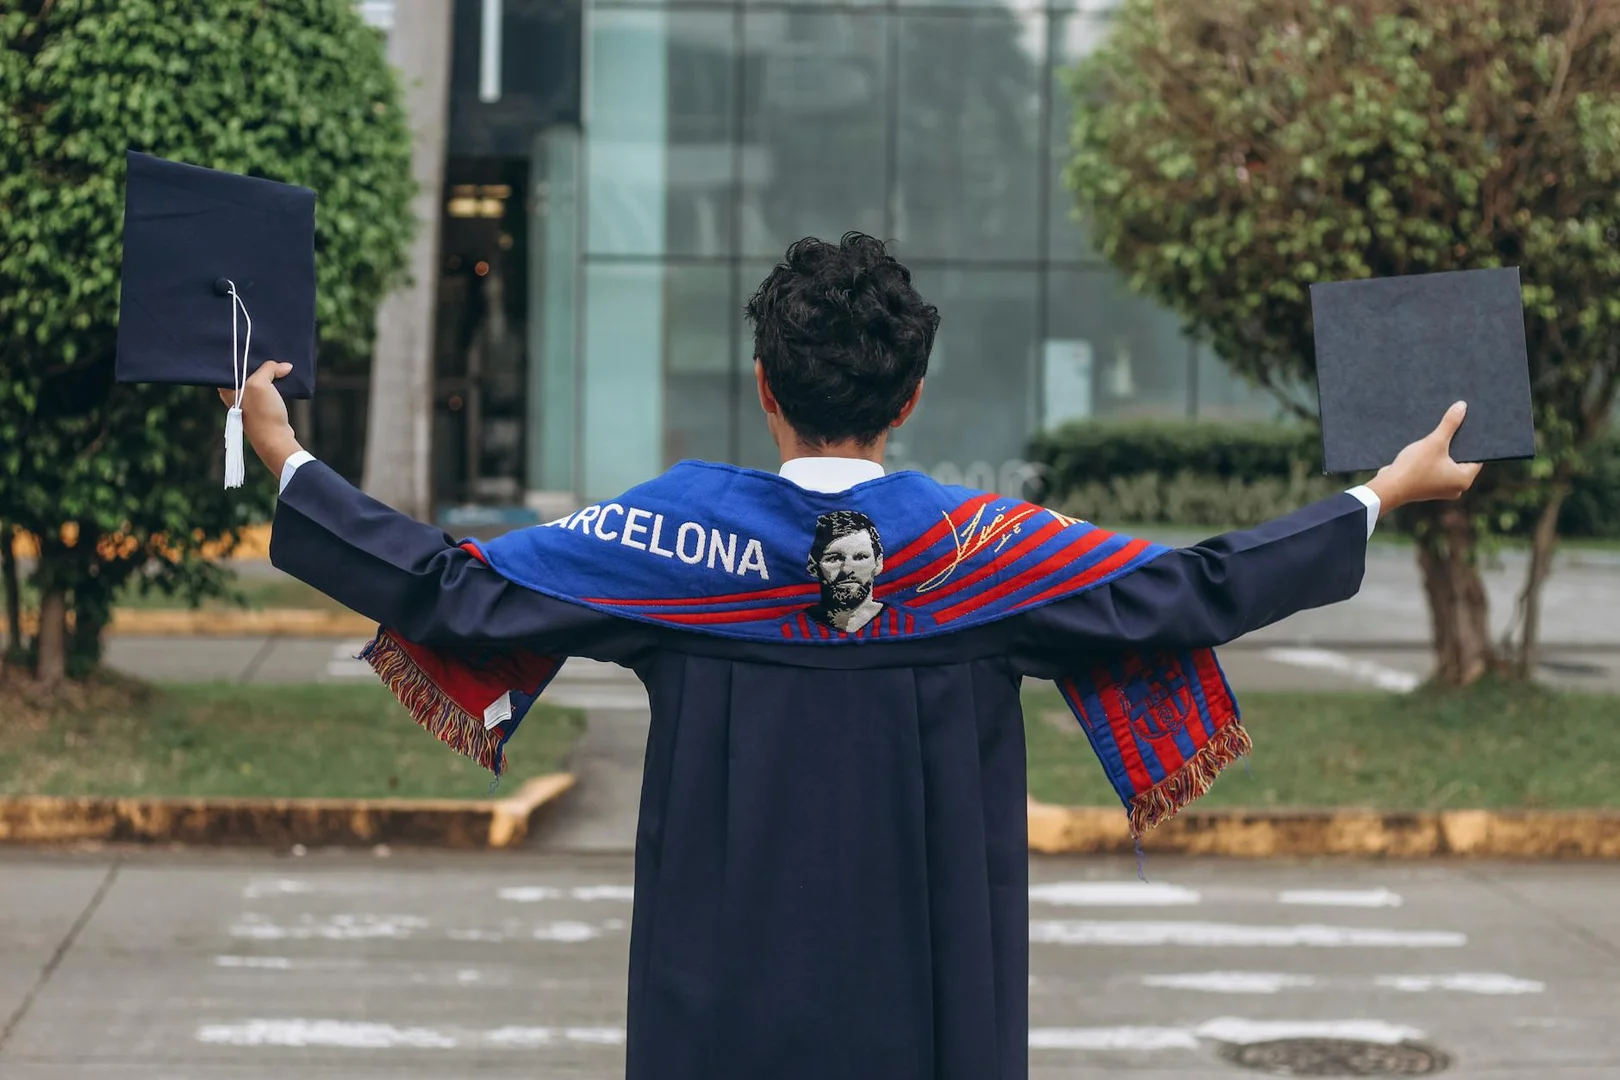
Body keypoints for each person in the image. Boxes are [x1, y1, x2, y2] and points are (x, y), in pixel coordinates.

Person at [229, 232, 1481, 1080]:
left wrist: (287, 459)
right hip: (933, 1025)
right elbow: (1193, 592)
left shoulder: (666, 544)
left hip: (714, 1029)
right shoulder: (995, 557)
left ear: (762, 386)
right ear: (912, 396)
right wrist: (1380, 493)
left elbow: (455, 593)